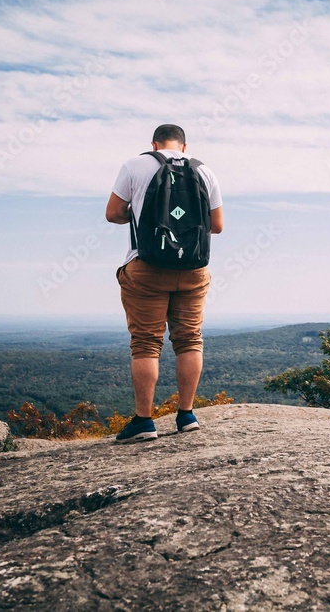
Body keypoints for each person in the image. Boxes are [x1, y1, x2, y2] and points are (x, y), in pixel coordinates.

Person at [105, 124, 223, 443]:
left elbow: (113, 213)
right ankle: (186, 415)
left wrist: (139, 213)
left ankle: (144, 421)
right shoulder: (204, 171)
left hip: (147, 266)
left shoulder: (134, 165)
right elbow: (217, 225)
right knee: (189, 339)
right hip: (193, 269)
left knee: (146, 343)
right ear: (184, 147)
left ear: (154, 144)